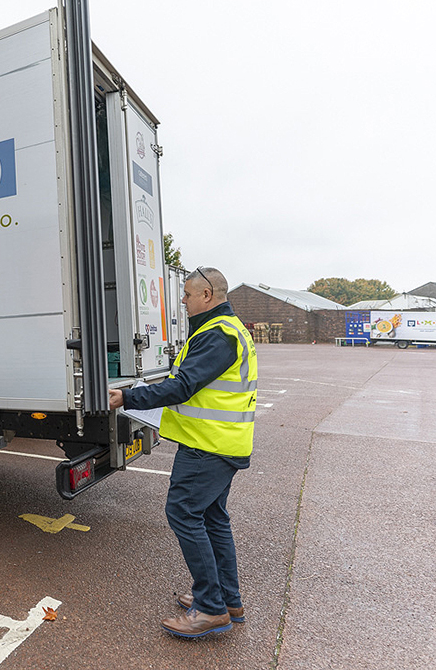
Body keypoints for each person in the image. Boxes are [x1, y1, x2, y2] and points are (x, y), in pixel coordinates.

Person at [109, 266, 257, 638]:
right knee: (212, 518)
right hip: (222, 441)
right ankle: (228, 599)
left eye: (188, 295)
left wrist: (127, 396)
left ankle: (210, 608)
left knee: (183, 511)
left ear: (207, 295)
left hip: (208, 445)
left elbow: (184, 385)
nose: (184, 301)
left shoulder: (217, 334)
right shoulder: (227, 329)